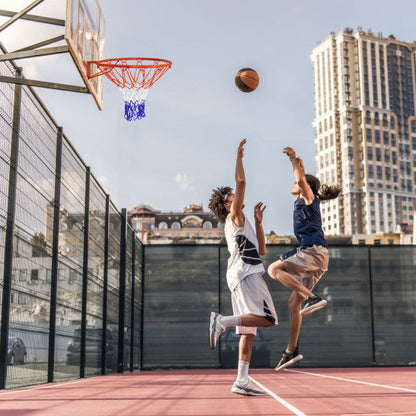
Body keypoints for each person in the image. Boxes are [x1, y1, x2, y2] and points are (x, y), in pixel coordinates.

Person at [208, 139, 278, 396]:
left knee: (248, 330)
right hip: (247, 273)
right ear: (227, 204)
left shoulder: (242, 220)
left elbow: (261, 250)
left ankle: (241, 380)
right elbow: (241, 182)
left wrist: (259, 222)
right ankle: (221, 321)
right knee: (269, 319)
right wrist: (238, 156)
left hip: (241, 272)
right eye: (231, 197)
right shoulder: (234, 215)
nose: (235, 196)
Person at [267, 147, 341, 372]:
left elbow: (300, 179)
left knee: (273, 269)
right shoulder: (306, 199)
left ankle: (311, 297)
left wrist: (293, 161)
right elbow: (302, 176)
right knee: (292, 304)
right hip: (318, 257)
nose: (291, 185)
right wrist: (298, 163)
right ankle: (291, 350)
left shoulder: (309, 198)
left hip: (312, 252)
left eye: (295, 183)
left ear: (302, 186)